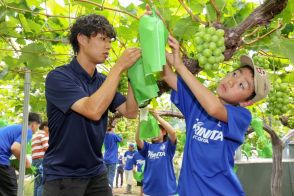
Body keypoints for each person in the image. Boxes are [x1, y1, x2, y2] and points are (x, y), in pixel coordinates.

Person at [43, 14, 140, 196]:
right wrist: (118, 68)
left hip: (96, 172)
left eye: (109, 41)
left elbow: (130, 111)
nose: (108, 46)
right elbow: (92, 110)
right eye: (102, 39)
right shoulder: (58, 77)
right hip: (63, 176)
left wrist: (131, 77)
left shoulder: (103, 81)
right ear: (82, 39)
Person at [162, 34, 270, 195]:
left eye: (242, 85)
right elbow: (167, 76)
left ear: (247, 102)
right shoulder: (196, 104)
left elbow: (214, 108)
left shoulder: (241, 116)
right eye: (235, 74)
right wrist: (154, 33)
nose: (232, 81)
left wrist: (180, 66)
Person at [135, 111, 177, 196]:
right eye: (151, 131)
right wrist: (141, 121)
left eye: (157, 130)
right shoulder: (148, 147)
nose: (154, 133)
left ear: (164, 132)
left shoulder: (168, 146)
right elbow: (138, 139)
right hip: (149, 190)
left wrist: (157, 117)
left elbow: (172, 133)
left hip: (167, 190)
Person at [0, 112, 41, 196]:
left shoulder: (14, 128)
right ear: (34, 124)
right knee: (12, 190)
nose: (37, 130)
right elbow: (15, 148)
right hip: (1, 160)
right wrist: (26, 163)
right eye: (38, 126)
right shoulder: (27, 131)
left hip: (2, 159)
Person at [32, 121, 49, 196]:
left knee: (37, 183)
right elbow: (47, 148)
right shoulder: (44, 134)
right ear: (45, 127)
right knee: (42, 184)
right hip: (41, 160)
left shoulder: (35, 135)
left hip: (35, 161)